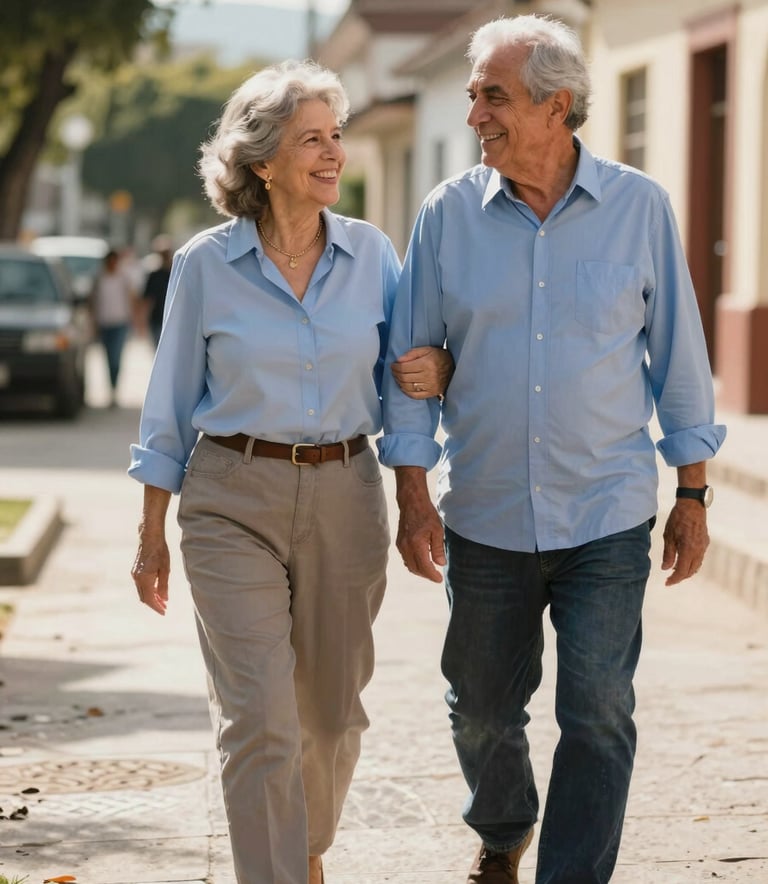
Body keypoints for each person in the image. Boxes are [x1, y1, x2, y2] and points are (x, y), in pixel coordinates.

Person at [378, 15, 726, 884]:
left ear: (556, 105)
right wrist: (412, 493)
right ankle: (503, 825)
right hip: (488, 510)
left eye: (493, 97)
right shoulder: (446, 216)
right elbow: (410, 360)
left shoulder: (639, 207)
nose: (475, 117)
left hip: (606, 510)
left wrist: (693, 491)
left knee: (600, 710)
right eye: (472, 97)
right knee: (482, 712)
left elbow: (679, 355)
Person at [127, 60, 452, 884]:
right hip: (231, 497)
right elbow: (168, 400)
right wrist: (150, 532)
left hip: (346, 492)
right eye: (312, 138)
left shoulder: (374, 255)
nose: (333, 152)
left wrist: (433, 374)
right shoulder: (206, 266)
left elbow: (405, 380)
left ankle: (303, 850)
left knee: (332, 716)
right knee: (260, 718)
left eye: (336, 136)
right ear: (262, 162)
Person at [89, 248, 138, 407]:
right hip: (104, 323)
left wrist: (134, 320)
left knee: (116, 358)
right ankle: (110, 389)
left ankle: (114, 390)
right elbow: (93, 302)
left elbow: (131, 299)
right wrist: (93, 323)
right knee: (108, 358)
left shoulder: (123, 278)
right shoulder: (99, 278)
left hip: (120, 323)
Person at [141, 235, 174, 348]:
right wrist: (142, 321)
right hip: (156, 319)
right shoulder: (154, 275)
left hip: (173, 320)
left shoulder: (177, 273)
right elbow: (147, 299)